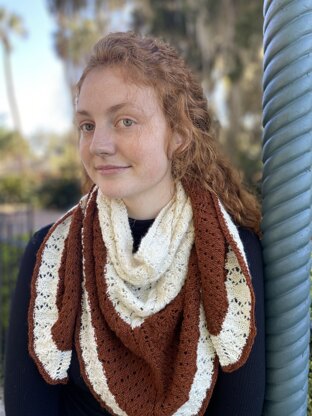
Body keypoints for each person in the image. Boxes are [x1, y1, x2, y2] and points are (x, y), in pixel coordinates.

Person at [4, 31, 265, 416]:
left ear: (177, 134)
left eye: (125, 121)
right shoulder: (49, 256)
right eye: (87, 125)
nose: (98, 145)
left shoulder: (231, 256)